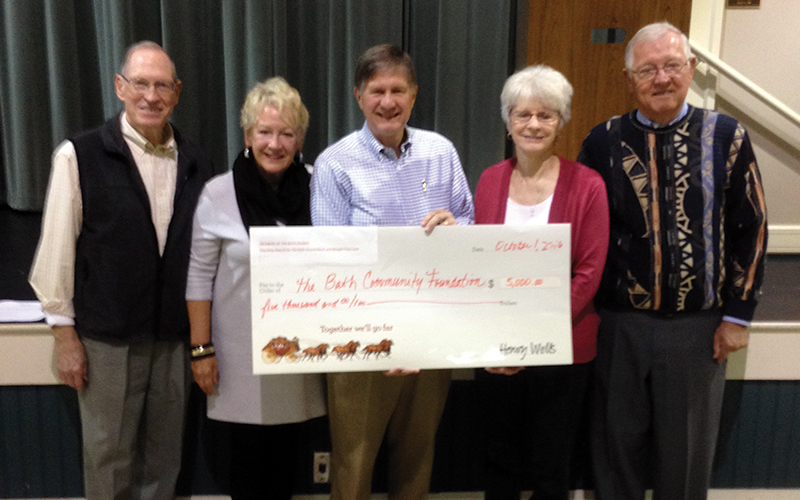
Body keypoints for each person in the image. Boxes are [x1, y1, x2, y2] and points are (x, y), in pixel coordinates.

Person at [577, 21, 768, 500]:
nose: (661, 78)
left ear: (692, 69)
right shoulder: (602, 143)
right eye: (647, 70)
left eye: (672, 66)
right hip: (620, 326)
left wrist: (737, 316)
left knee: (684, 464)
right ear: (628, 80)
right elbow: (584, 232)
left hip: (697, 328)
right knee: (614, 454)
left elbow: (753, 227)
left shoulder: (727, 136)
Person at [29, 41, 213, 500]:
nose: (151, 96)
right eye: (141, 84)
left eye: (162, 86)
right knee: (108, 457)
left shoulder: (196, 162)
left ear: (177, 93)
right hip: (105, 341)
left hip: (173, 340)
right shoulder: (79, 155)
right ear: (120, 87)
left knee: (164, 459)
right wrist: (64, 336)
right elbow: (55, 252)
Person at [311, 44, 474, 500]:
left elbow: (472, 225)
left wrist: (457, 228)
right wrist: (377, 335)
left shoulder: (442, 153)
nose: (388, 101)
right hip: (362, 345)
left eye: (398, 89)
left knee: (417, 462)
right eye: (377, 90)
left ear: (414, 94)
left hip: (430, 337)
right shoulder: (334, 164)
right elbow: (331, 266)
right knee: (353, 465)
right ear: (359, 96)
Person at [185, 76, 326, 500]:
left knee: (286, 471)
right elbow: (197, 278)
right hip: (237, 361)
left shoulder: (320, 187)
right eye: (264, 132)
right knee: (243, 474)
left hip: (298, 356)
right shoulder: (218, 194)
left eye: (286, 133)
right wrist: (200, 350)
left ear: (300, 139)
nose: (274, 143)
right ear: (247, 135)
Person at [473, 65, 609, 500]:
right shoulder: (490, 180)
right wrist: (504, 340)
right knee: (498, 460)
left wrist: (528, 338)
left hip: (563, 348)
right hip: (497, 346)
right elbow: (479, 264)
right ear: (508, 120)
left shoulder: (588, 185)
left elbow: (588, 275)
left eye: (546, 114)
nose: (533, 124)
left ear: (561, 121)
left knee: (551, 466)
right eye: (523, 114)